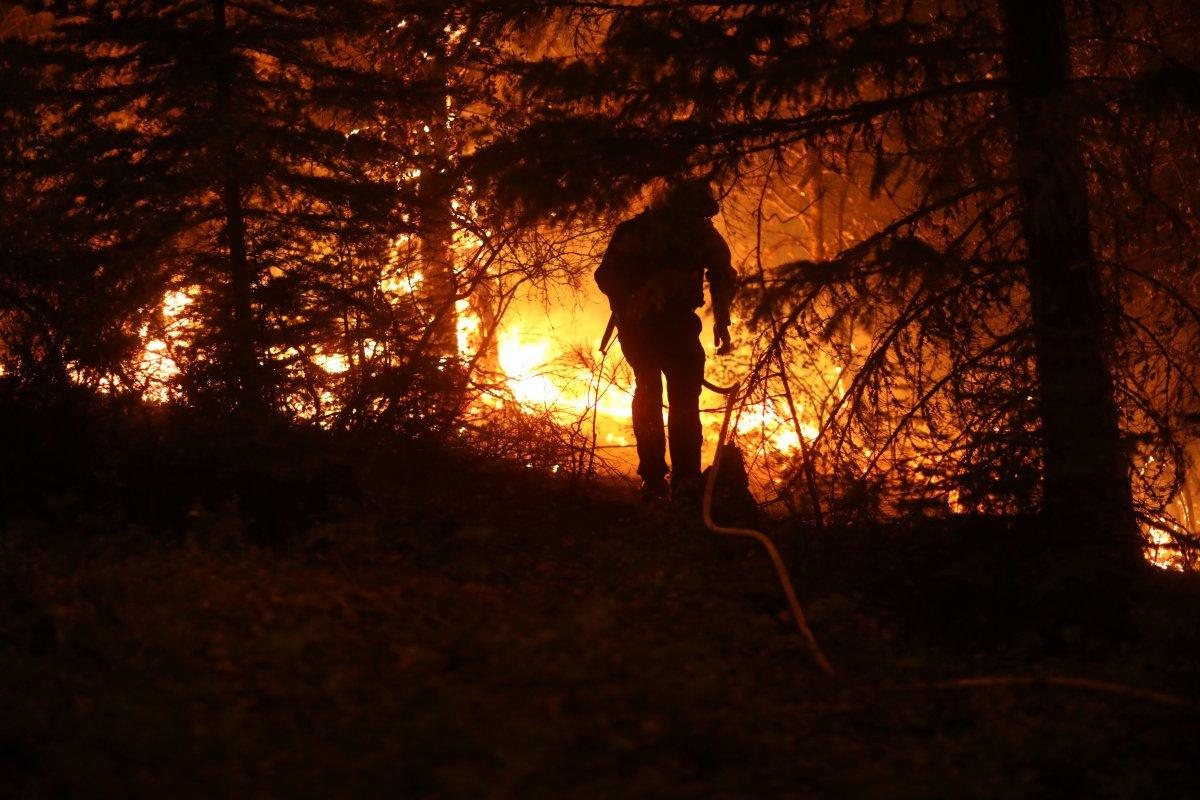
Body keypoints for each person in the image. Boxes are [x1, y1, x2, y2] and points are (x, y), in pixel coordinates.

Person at [595, 178, 738, 502]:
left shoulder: (643, 230)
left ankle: (670, 480)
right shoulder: (684, 232)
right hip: (653, 327)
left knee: (667, 397)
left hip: (658, 328)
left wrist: (723, 320)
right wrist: (628, 305)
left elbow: (720, 275)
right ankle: (668, 479)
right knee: (664, 396)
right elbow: (608, 277)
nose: (703, 218)